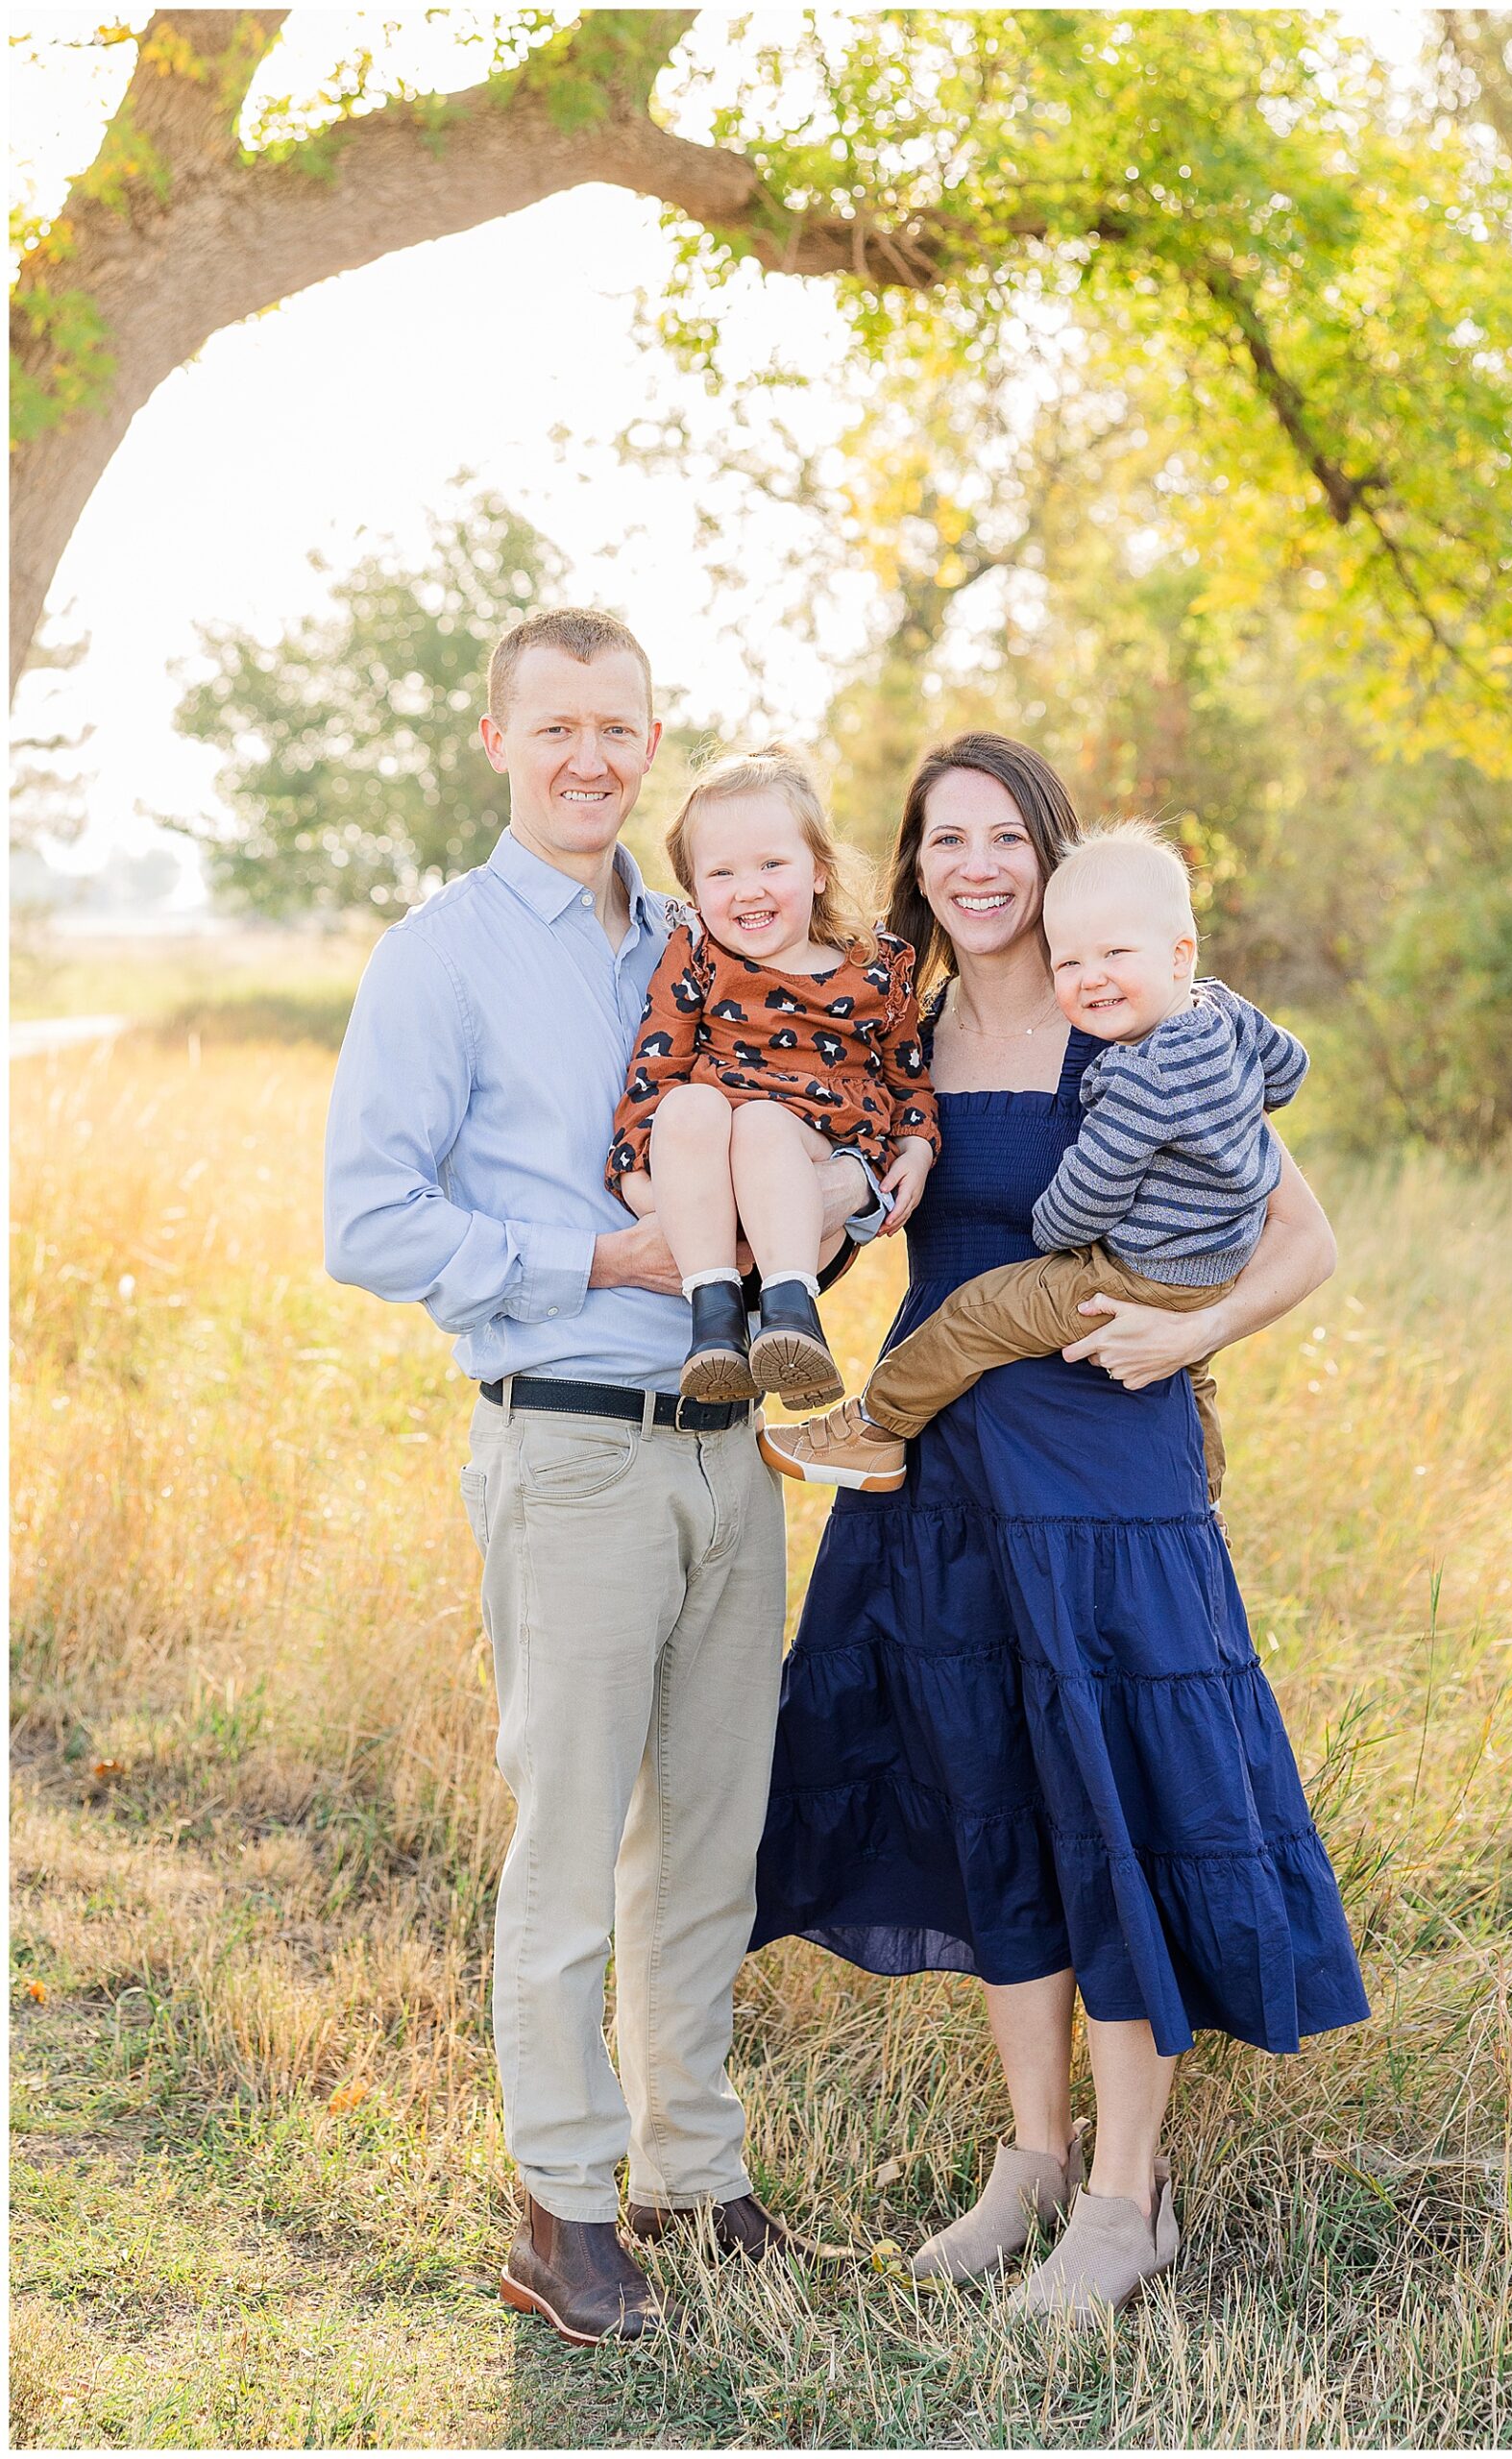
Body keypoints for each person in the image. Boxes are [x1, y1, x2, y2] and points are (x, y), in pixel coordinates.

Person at [750, 733, 1371, 2322]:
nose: (973, 866)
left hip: (1106, 1487)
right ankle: (1028, 2161)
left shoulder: (1129, 1019)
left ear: (1048, 855)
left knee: (1115, 1816)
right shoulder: (905, 1025)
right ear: (914, 861)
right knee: (994, 1817)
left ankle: (1122, 2198)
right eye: (942, 838)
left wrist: (1190, 1336)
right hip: (938, 1487)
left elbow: (1300, 1241)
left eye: (1002, 839)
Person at [323, 609, 882, 2349]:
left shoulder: (702, 924)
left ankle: (687, 2176)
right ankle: (558, 2207)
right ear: (496, 737)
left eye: (619, 728)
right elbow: (369, 1219)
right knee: (569, 1845)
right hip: (567, 1440)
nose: (590, 757)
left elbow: (812, 1095)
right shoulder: (439, 955)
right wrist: (604, 1261)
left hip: (738, 1450)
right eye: (556, 725)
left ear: (652, 745)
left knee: (708, 1841)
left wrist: (849, 1197)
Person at [761, 819, 1305, 1505]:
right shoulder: (1222, 1013)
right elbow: (1288, 1068)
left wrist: (1052, 1232)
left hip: (1129, 1290)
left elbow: (1087, 1196)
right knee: (1192, 1381)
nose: (1092, 978)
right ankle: (1202, 1491)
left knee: (978, 1311)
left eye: (1114, 954)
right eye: (1070, 962)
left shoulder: (1137, 1072)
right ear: (919, 873)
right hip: (1205, 1269)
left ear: (1178, 953)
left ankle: (872, 1427)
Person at [607, 747, 939, 1408]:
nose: (747, 888)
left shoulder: (874, 965)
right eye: (721, 872)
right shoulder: (697, 954)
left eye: (770, 864)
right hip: (709, 1226)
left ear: (818, 870)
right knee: (691, 1106)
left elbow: (907, 1078)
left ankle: (793, 1319)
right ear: (695, 893)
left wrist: (919, 1147)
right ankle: (715, 1327)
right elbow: (655, 1067)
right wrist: (637, 1177)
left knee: (760, 1122)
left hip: (813, 1187)